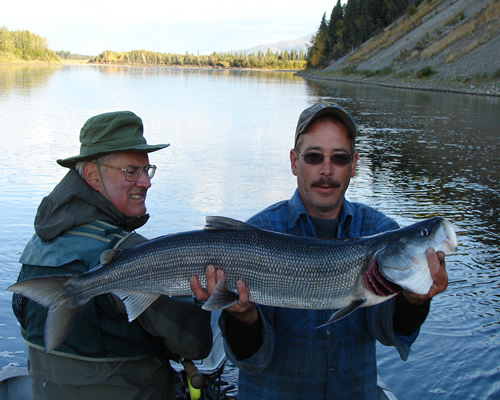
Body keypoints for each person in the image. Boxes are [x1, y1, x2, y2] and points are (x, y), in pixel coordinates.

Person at [191, 102, 448, 399]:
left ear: (353, 165)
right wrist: (244, 318)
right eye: (314, 157)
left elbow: (389, 332)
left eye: (339, 158)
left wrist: (414, 302)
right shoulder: (254, 235)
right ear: (293, 162)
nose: (326, 170)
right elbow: (250, 359)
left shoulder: (381, 233)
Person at [12, 111, 212, 399]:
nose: (146, 182)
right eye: (131, 171)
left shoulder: (37, 244)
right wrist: (204, 302)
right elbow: (195, 345)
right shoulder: (129, 251)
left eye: (147, 170)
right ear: (93, 175)